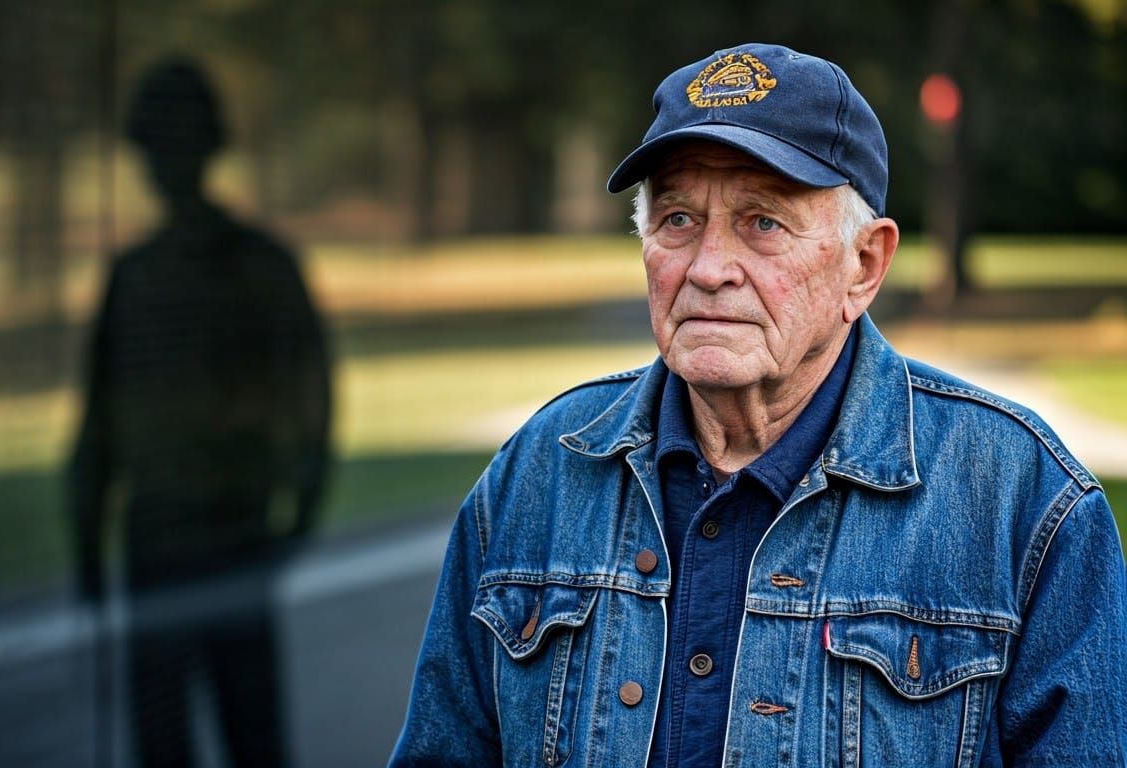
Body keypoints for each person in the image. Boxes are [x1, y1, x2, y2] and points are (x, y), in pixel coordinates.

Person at [389, 43, 1126, 766]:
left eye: (763, 222)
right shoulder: (538, 471)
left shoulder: (1023, 499)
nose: (709, 269)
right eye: (678, 219)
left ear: (864, 265)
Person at [69, 58, 331, 767]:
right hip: (174, 537)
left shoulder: (248, 268)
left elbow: (308, 395)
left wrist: (299, 510)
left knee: (246, 730)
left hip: (224, 532)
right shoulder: (145, 275)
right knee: (183, 736)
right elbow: (102, 419)